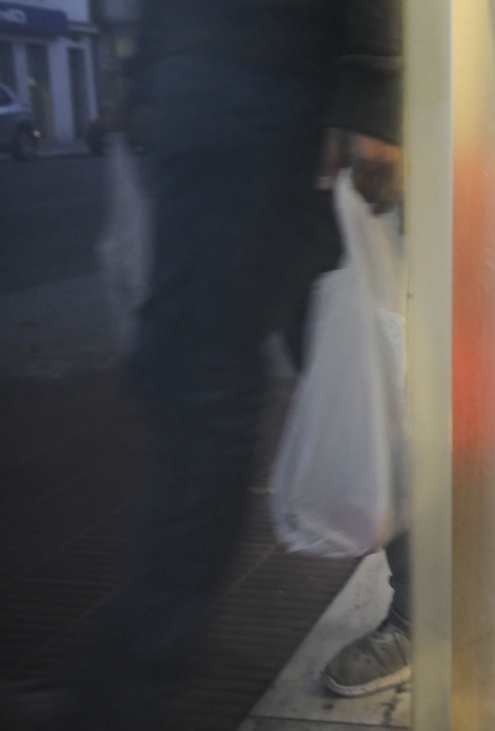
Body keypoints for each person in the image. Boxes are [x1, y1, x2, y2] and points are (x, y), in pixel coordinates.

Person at [3, 2, 409, 728]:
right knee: (318, 369)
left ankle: (126, 681)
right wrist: (147, 72)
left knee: (203, 382)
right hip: (222, 86)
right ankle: (433, 597)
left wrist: (376, 82)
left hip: (269, 87)